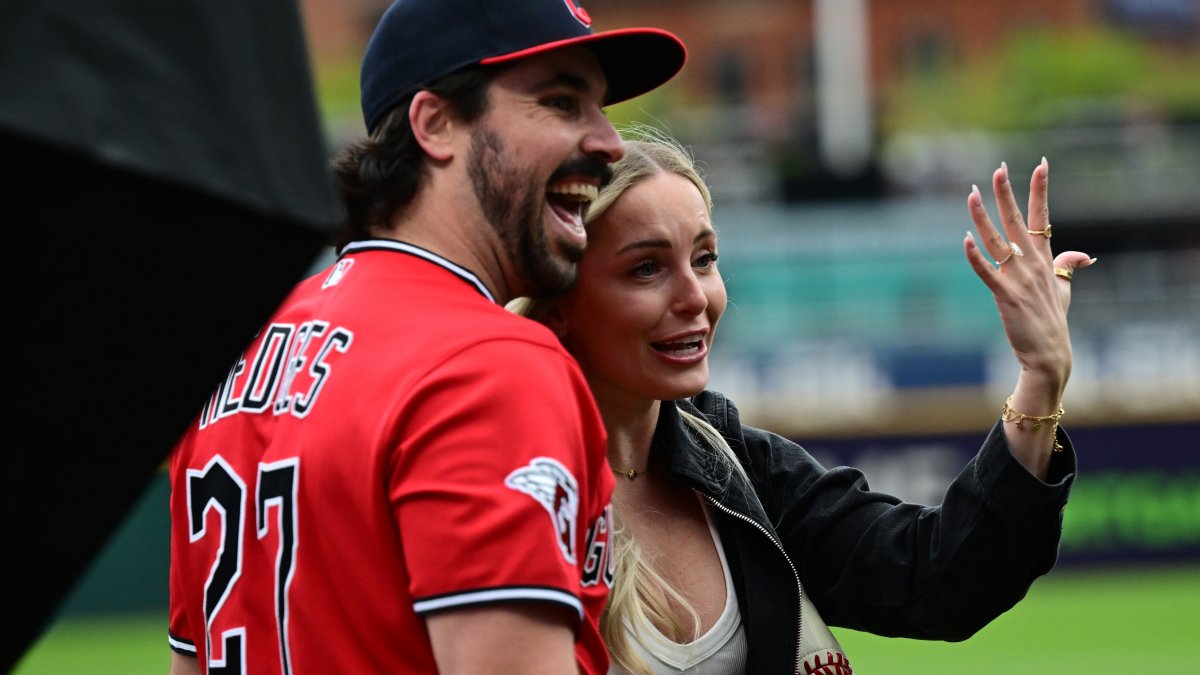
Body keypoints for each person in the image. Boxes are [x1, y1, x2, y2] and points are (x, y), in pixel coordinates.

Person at [165, 1, 686, 673]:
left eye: (600, 108)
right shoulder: (491, 363)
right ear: (435, 124)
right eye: (561, 102)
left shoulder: (249, 347)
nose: (609, 142)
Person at [511, 126, 1095, 674]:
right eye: (646, 268)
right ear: (559, 298)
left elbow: (941, 579)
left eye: (705, 259)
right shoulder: (515, 482)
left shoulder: (732, 461)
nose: (695, 296)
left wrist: (1039, 376)